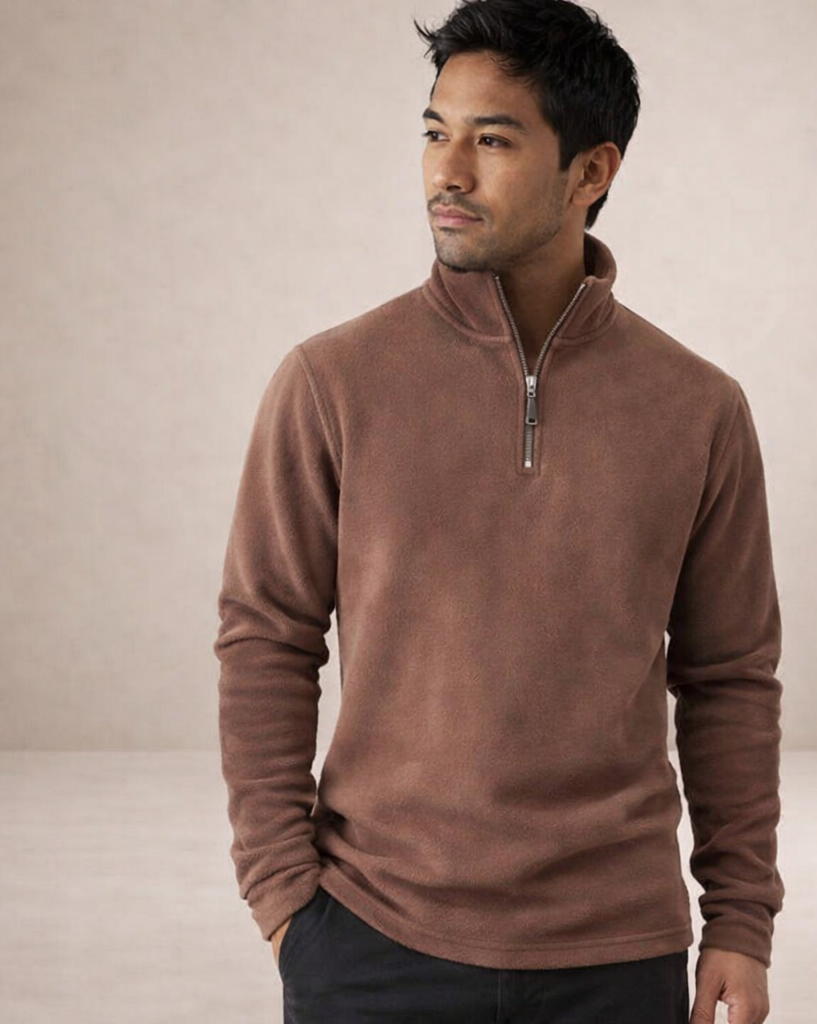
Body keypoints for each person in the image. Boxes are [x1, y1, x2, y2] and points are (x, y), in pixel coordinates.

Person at [213, 2, 784, 1022]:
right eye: (435, 132)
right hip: (370, 941)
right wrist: (283, 897)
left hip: (618, 953)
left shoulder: (698, 408)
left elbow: (730, 678)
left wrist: (739, 922)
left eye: (492, 140)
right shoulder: (332, 382)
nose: (447, 172)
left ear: (591, 171)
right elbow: (265, 638)